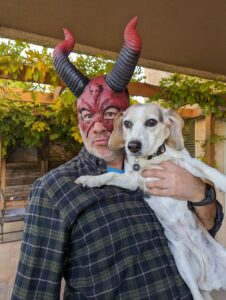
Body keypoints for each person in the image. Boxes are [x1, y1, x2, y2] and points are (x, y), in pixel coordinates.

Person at [12, 17, 223, 300]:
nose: (98, 126)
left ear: (127, 120)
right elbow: (34, 291)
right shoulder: (55, 190)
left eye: (109, 114)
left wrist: (199, 191)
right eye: (87, 115)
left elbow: (211, 225)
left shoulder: (160, 162)